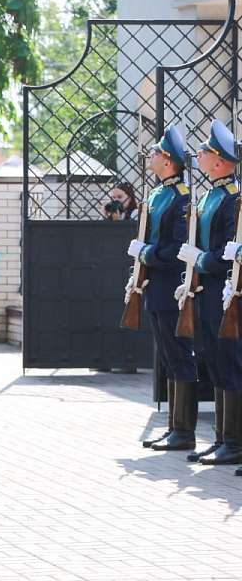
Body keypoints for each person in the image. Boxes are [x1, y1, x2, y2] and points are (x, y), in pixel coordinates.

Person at [125, 126, 195, 451]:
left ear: (168, 161)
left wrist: (146, 253)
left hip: (169, 286)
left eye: (155, 152)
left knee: (179, 355)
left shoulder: (180, 197)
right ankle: (173, 427)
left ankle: (184, 431)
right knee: (167, 356)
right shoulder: (157, 194)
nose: (150, 156)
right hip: (153, 286)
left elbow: (177, 248)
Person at [177, 119, 242, 465]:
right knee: (214, 363)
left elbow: (230, 251)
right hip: (205, 290)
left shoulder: (233, 198)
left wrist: (200, 259)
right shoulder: (210, 196)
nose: (198, 154)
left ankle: (234, 441)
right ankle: (221, 438)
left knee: (229, 362)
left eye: (204, 151)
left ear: (219, 161)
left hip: (224, 291)